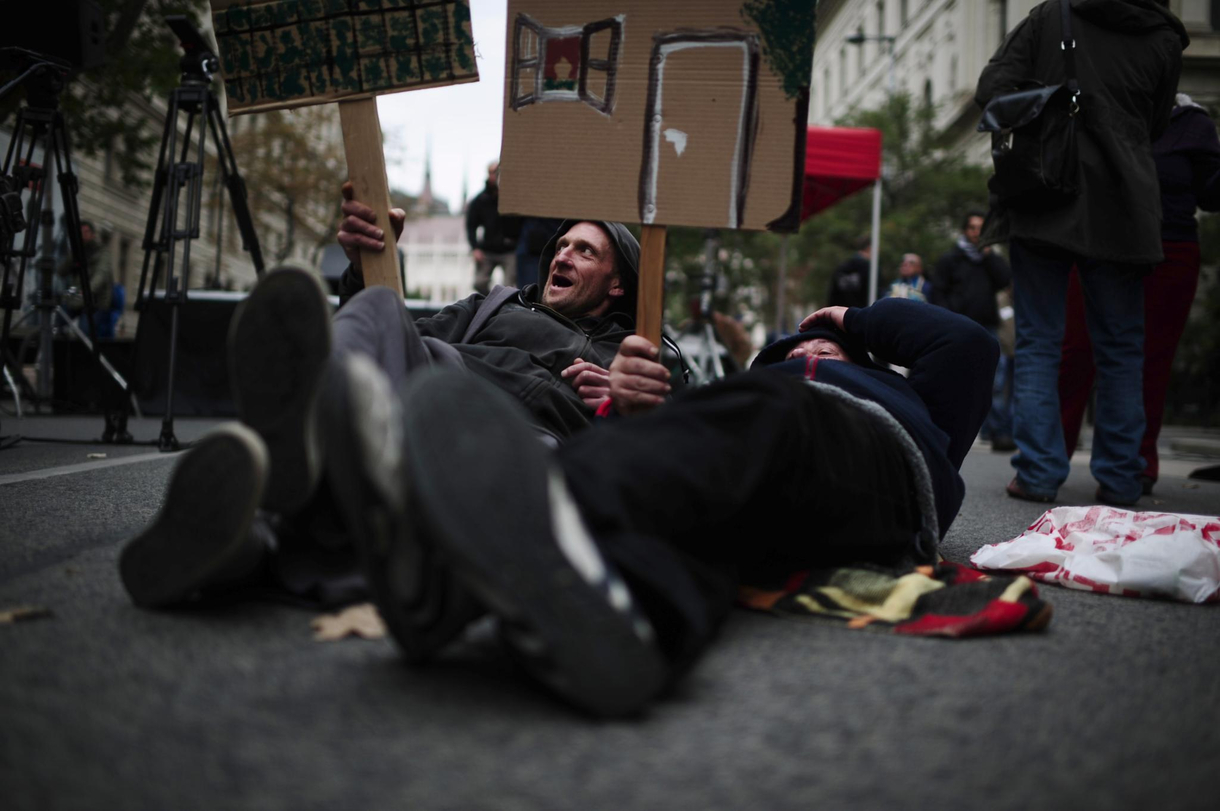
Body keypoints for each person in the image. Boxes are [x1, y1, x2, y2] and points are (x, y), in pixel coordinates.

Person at [320, 296, 996, 716]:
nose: (809, 351)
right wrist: (631, 410)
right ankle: (634, 623)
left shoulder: (901, 404)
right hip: (795, 492)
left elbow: (967, 345)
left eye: (823, 349)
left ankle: (452, 555)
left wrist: (851, 318)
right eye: (795, 349)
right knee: (703, 520)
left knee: (770, 413)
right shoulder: (753, 400)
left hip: (878, 472)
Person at [119, 187, 642, 611]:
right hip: (432, 385)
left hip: (523, 439)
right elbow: (397, 339)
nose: (562, 254)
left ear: (617, 285)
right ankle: (309, 417)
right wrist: (368, 262)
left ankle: (253, 540)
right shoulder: (494, 305)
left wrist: (624, 400)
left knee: (388, 511)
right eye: (562, 245)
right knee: (377, 309)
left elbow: (663, 442)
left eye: (585, 250)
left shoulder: (638, 350)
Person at [975, 0, 1187, 506]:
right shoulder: (1163, 37)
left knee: (1040, 343)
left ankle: (1039, 473)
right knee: (1121, 350)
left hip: (1046, 197)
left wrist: (1047, 106)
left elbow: (993, 91)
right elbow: (1155, 123)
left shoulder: (1052, 17)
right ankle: (1120, 479)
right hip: (1124, 205)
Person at [1058, 93, 1220, 495]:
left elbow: (1212, 195)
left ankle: (1135, 463)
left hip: (1170, 247)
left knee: (1151, 360)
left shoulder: (1193, 122)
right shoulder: (1103, 100)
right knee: (1075, 352)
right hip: (1099, 243)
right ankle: (1046, 461)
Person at [934, 211, 1013, 449]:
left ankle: (997, 432)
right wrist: (948, 317)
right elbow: (937, 291)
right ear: (964, 231)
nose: (977, 233)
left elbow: (1005, 280)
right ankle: (948, 430)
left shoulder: (990, 260)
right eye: (973, 228)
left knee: (994, 382)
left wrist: (989, 256)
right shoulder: (951, 259)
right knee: (955, 379)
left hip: (987, 328)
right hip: (958, 328)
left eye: (981, 228)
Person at [465, 161, 520, 295]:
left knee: (509, 286)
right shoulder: (480, 200)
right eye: (494, 172)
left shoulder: (513, 197)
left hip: (509, 249)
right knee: (479, 282)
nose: (496, 176)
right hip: (488, 249)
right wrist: (475, 248)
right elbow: (471, 225)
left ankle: (502, 305)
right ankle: (491, 301)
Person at [55, 220, 116, 338]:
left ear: (93, 234)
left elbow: (100, 274)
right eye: (80, 232)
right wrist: (73, 255)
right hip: (77, 298)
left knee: (84, 330)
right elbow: (61, 271)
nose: (83, 234)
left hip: (96, 301)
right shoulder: (77, 251)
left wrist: (89, 289)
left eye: (86, 231)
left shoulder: (102, 252)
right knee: (59, 321)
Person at [826, 235, 871, 308]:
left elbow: (832, 296)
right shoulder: (870, 270)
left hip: (841, 315)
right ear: (869, 248)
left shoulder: (842, 267)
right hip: (861, 315)